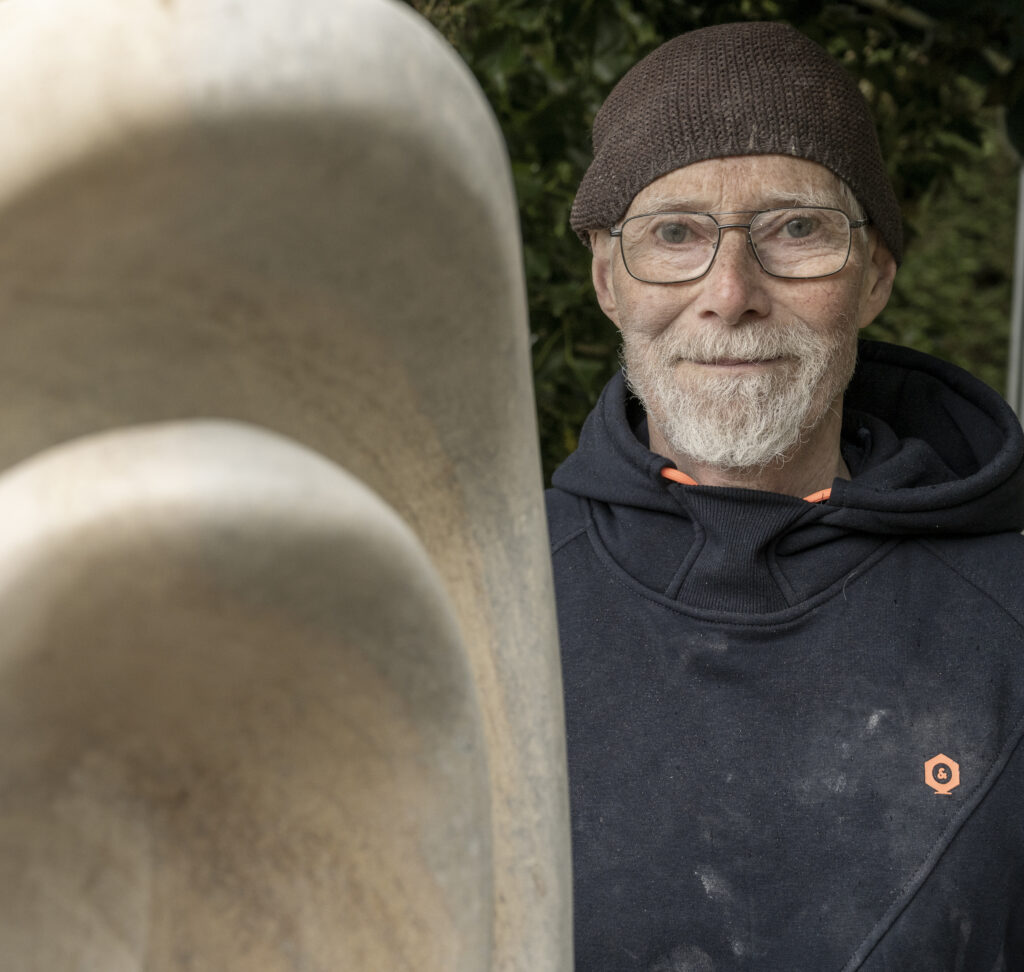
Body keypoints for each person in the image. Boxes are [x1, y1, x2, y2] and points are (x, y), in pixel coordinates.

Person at [546, 20, 1024, 972]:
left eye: (795, 229)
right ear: (608, 280)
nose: (731, 292)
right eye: (675, 233)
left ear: (875, 274)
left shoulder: (1010, 613)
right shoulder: (481, 600)